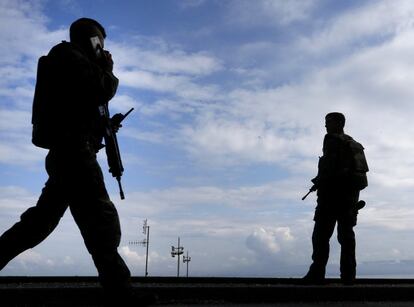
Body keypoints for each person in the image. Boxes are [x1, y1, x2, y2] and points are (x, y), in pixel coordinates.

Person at [0, 18, 133, 303]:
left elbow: (79, 107)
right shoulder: (69, 57)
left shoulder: (73, 62)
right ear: (91, 41)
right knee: (101, 221)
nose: (104, 51)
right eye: (100, 44)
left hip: (70, 154)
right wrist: (107, 68)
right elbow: (103, 87)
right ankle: (120, 293)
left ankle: (119, 290)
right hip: (75, 155)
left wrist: (105, 126)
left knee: (38, 224)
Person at [303, 112, 368, 285]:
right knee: (346, 237)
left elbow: (330, 170)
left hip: (331, 199)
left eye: (328, 122)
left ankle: (316, 274)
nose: (325, 126)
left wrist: (322, 181)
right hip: (349, 200)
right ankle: (348, 276)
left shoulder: (332, 141)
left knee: (320, 236)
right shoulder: (355, 145)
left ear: (339, 123)